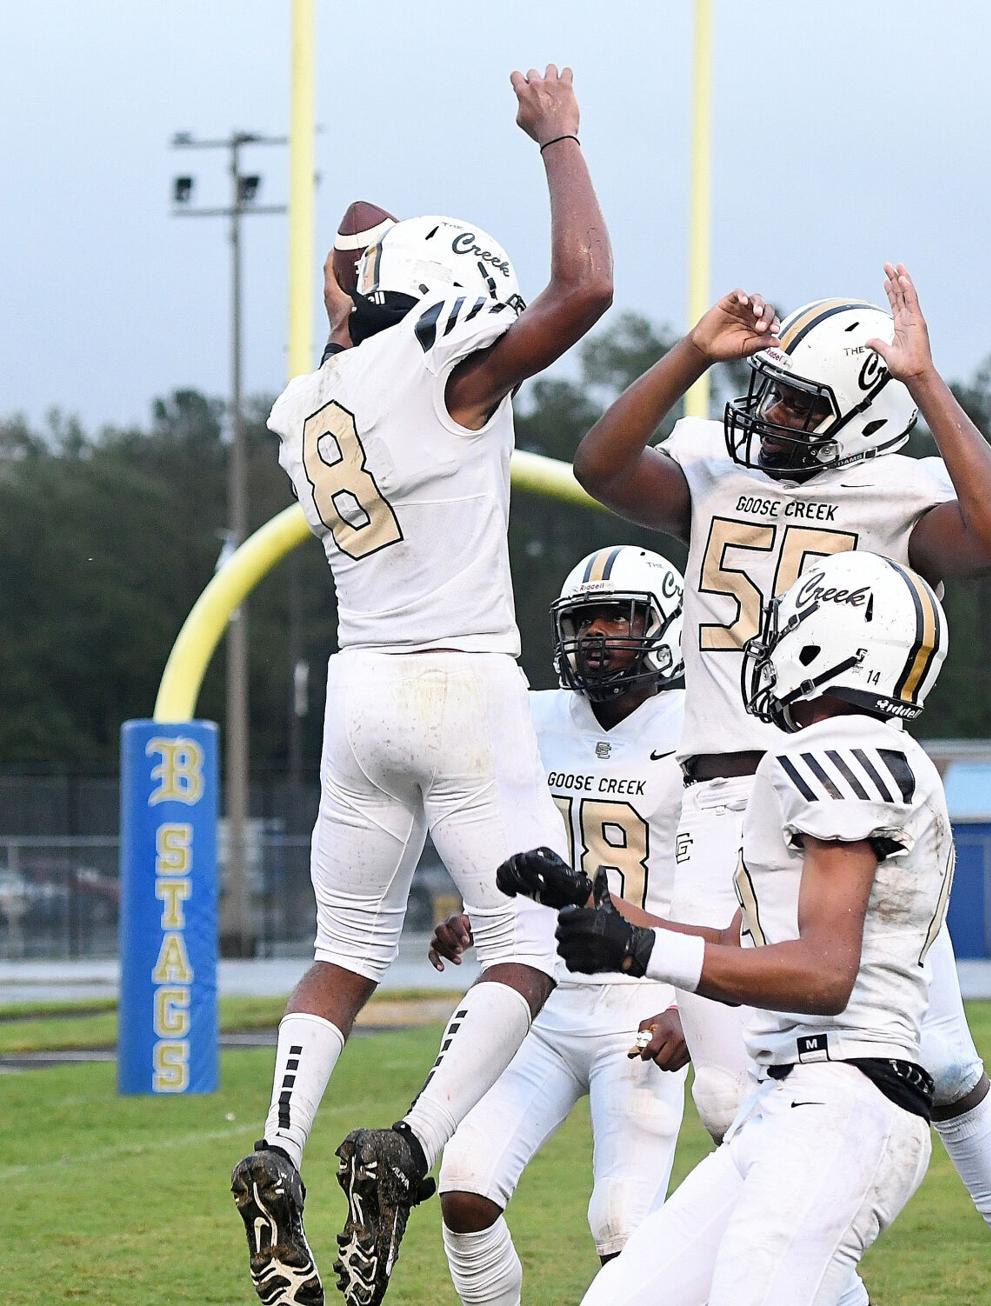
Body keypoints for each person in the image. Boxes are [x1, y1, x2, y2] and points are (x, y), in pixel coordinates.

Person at [572, 270, 991, 1306]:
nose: (775, 415)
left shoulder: (899, 490)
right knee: (740, 1085)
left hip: (839, 786)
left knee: (939, 1059)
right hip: (722, 798)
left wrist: (928, 381)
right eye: (774, 391)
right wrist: (693, 354)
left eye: (803, 400)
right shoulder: (717, 466)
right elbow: (601, 464)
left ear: (867, 415)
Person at [229, 65, 613, 1306]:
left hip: (361, 694)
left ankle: (277, 1149)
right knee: (533, 942)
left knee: (343, 953)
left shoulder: (310, 402)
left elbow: (354, 238)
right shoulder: (452, 372)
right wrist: (556, 136)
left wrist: (371, 259)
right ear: (450, 309)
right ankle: (413, 1142)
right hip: (462, 685)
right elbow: (589, 285)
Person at [501, 551, 953, 1303]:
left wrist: (640, 948)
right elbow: (739, 949)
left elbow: (823, 975)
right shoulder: (828, 756)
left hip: (845, 1096)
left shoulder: (843, 753)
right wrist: (593, 900)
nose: (766, 645)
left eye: (789, 624)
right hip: (782, 1103)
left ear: (832, 642)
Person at [426, 545, 689, 1305]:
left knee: (624, 1230)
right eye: (585, 619)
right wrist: (483, 912)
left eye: (619, 617)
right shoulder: (534, 717)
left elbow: (723, 884)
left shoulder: (699, 729)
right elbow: (526, 847)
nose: (599, 633)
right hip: (542, 997)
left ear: (662, 625)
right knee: (466, 1187)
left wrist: (693, 1006)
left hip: (641, 1004)